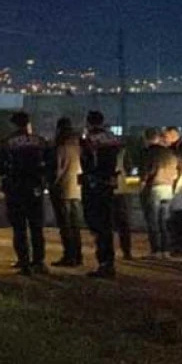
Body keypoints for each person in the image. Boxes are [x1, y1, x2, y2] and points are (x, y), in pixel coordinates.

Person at [0, 111, 49, 275]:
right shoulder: (40, 141)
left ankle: (24, 262)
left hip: (15, 189)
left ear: (14, 125)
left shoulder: (8, 143)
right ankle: (39, 262)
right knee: (36, 227)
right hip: (35, 189)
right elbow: (50, 164)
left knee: (19, 228)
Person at [81, 110, 123, 278]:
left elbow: (87, 163)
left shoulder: (89, 140)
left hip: (95, 186)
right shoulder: (113, 138)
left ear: (89, 122)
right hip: (109, 185)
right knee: (107, 225)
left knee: (98, 225)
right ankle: (108, 262)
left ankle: (104, 263)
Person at [139, 127, 178, 259]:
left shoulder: (148, 153)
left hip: (154, 187)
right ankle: (166, 250)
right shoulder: (170, 153)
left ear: (146, 138)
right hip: (168, 188)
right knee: (164, 221)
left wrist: (142, 184)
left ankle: (156, 250)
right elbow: (175, 172)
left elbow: (146, 172)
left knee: (153, 221)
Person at [49, 117, 84, 267]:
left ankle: (69, 255)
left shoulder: (61, 146)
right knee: (75, 225)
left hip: (62, 190)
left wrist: (51, 184)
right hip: (76, 189)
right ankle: (78, 255)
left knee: (65, 225)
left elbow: (58, 169)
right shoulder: (79, 145)